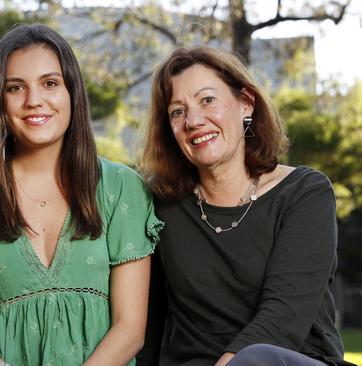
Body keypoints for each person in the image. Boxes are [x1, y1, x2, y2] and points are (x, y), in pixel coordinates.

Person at [0, 23, 163, 366]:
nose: (33, 101)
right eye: (15, 87)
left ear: (72, 92)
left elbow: (130, 329)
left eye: (50, 83)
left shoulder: (122, 190)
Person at [137, 46, 352, 366]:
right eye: (177, 112)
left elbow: (282, 321)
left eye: (207, 100)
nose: (193, 120)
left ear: (246, 104)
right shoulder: (161, 207)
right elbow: (150, 326)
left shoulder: (304, 193)